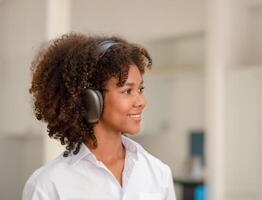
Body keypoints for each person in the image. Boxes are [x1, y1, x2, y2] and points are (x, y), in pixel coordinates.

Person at [23, 33, 176, 200]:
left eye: (140, 89)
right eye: (127, 91)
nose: (141, 101)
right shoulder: (48, 185)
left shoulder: (158, 173)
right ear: (92, 100)